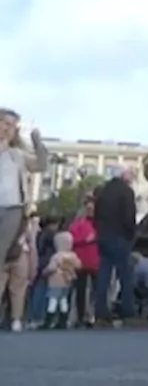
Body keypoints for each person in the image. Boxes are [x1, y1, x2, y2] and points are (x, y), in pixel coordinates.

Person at [0, 109, 48, 265]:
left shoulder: (17, 154)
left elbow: (39, 165)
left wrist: (38, 144)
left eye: (13, 126)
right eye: (6, 123)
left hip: (13, 208)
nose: (8, 129)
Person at [93, 167, 138, 326]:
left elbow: (96, 215)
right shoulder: (126, 192)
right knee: (125, 274)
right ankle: (128, 311)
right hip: (120, 236)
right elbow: (129, 217)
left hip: (104, 236)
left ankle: (100, 311)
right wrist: (131, 234)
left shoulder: (103, 192)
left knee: (104, 274)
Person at [0, 210, 35, 330]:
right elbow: (30, 241)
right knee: (18, 290)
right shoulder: (24, 221)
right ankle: (16, 320)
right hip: (20, 254)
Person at [68, 198, 100, 327]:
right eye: (89, 208)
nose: (91, 211)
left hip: (96, 261)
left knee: (96, 291)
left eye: (93, 209)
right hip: (80, 261)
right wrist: (85, 240)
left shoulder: (100, 224)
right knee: (80, 291)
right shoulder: (78, 224)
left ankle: (93, 315)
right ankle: (80, 316)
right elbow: (70, 239)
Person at [41, 230, 80, 329]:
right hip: (67, 281)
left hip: (55, 281)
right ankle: (63, 320)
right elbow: (79, 265)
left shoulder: (57, 256)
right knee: (64, 300)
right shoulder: (73, 256)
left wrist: (45, 272)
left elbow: (51, 268)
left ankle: (48, 320)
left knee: (53, 300)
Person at [27, 216, 58, 327]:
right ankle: (41, 316)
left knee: (39, 289)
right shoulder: (51, 235)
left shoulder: (40, 234)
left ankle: (35, 316)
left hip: (41, 262)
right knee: (46, 291)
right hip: (49, 262)